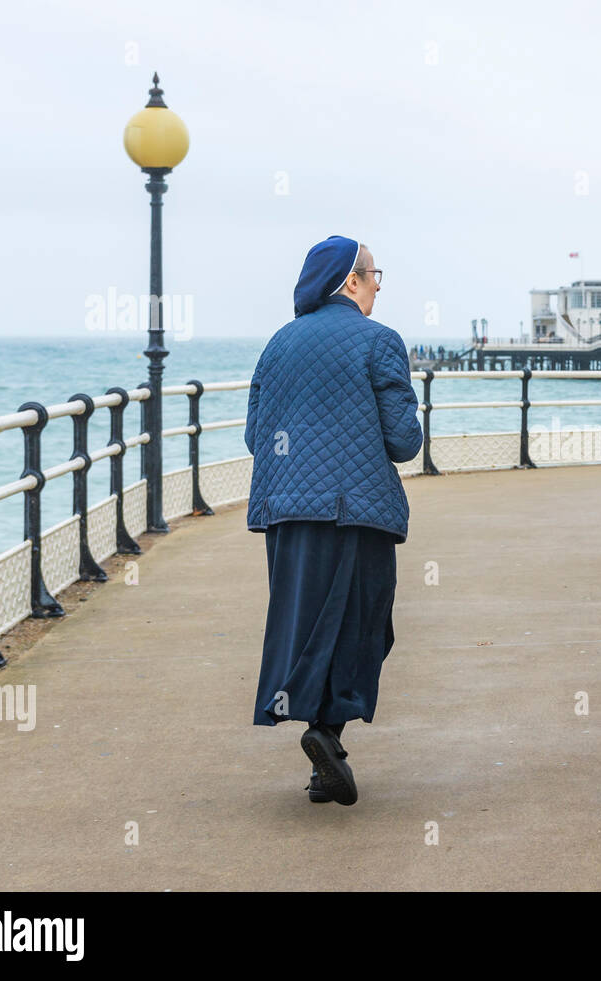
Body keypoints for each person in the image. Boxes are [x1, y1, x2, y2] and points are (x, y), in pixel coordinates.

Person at [245, 235, 423, 806]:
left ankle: (325, 762)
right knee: (365, 625)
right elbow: (403, 442)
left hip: (285, 512)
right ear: (352, 280)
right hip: (357, 513)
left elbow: (255, 436)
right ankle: (326, 734)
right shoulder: (379, 342)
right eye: (375, 277)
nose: (377, 288)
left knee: (306, 625)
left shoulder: (278, 343)